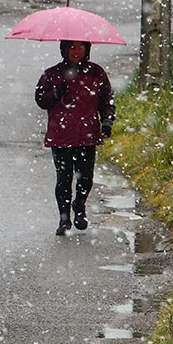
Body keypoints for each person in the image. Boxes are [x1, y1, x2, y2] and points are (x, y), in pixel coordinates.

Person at [34, 40, 115, 235]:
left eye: (81, 47)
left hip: (87, 135)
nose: (76, 51)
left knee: (85, 178)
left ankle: (79, 206)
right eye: (71, 47)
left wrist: (107, 121)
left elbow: (107, 99)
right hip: (61, 135)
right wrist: (56, 93)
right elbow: (41, 100)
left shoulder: (96, 73)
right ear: (64, 49)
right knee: (64, 177)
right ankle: (64, 218)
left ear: (87, 49)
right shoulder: (52, 74)